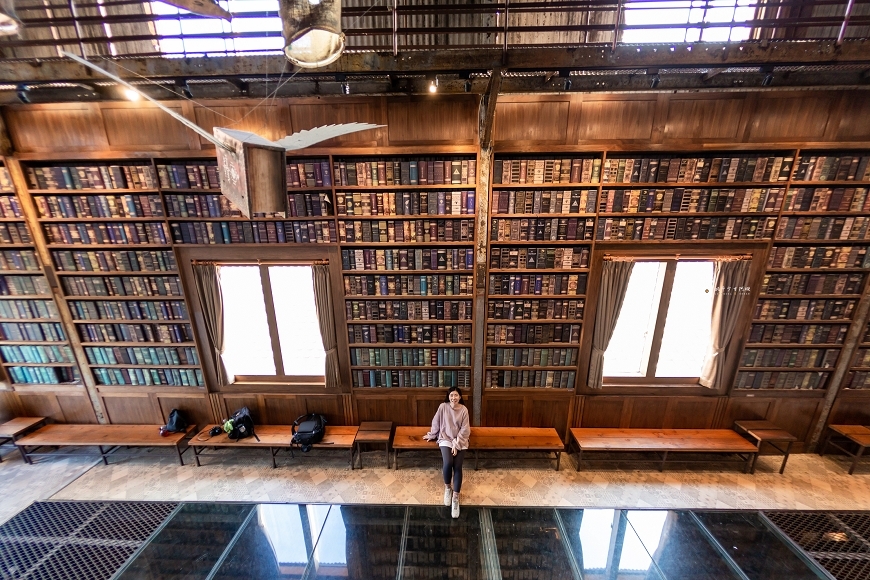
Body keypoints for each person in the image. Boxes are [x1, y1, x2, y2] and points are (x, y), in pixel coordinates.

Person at [423, 386, 470, 518]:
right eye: (451, 395)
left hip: (460, 440)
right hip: (445, 438)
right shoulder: (443, 407)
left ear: (460, 397)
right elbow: (436, 422)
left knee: (458, 466)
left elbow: (465, 430)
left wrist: (457, 443)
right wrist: (432, 434)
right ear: (448, 397)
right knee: (448, 462)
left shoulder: (464, 410)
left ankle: (455, 498)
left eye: (456, 395)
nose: (453, 398)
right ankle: (448, 489)